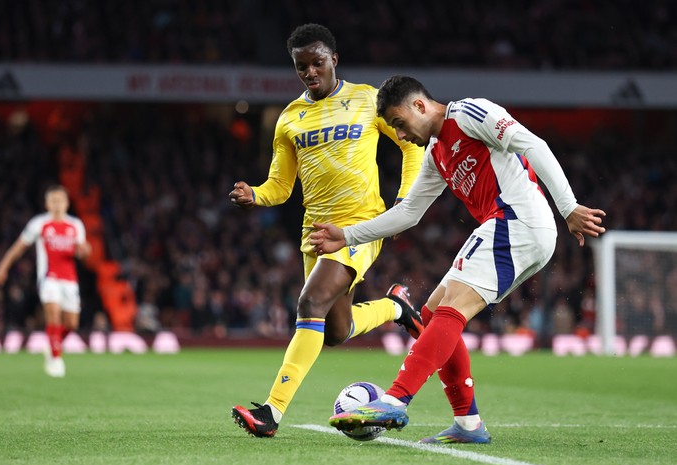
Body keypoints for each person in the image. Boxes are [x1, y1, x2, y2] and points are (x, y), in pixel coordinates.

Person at [310, 75, 606, 443]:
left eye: (400, 124)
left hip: (518, 219)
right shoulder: (436, 153)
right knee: (433, 314)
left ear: (419, 105)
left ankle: (394, 400)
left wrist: (569, 206)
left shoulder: (469, 114)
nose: (400, 136)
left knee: (454, 306)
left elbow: (533, 144)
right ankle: (468, 424)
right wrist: (347, 235)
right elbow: (409, 214)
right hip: (505, 227)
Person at [229, 25, 425, 438]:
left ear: (334, 59)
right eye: (301, 67)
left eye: (317, 63)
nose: (310, 72)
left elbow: (411, 144)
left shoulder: (368, 99)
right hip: (314, 233)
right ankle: (395, 307)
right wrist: (255, 195)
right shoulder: (288, 119)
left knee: (310, 302)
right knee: (335, 331)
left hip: (360, 226)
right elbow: (280, 187)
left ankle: (271, 412)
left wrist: (404, 203)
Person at [0, 185, 91, 377]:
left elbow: (84, 249)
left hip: (70, 280)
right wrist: (3, 267)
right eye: (53, 201)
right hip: (49, 277)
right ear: (47, 204)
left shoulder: (75, 225)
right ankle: (56, 359)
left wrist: (85, 251)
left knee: (71, 324)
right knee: (53, 314)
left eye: (60, 200)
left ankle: (52, 344)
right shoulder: (39, 224)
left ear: (67, 203)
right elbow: (19, 247)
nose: (57, 204)